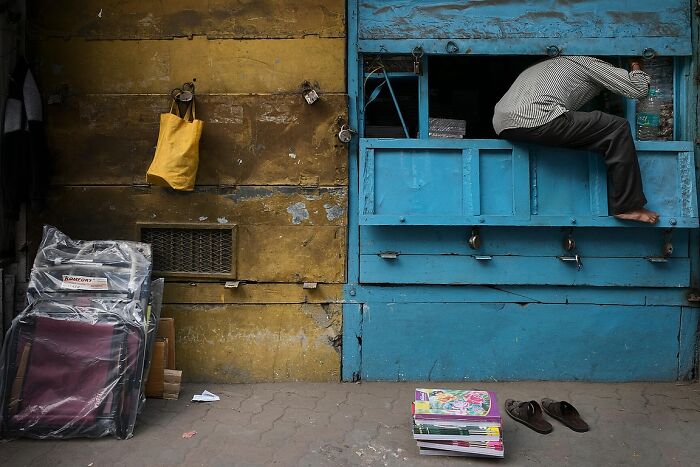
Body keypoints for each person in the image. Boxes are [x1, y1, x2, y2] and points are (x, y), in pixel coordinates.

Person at [493, 56, 658, 224]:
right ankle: (628, 206)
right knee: (617, 128)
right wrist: (636, 64)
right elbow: (638, 89)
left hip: (503, 125)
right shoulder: (591, 63)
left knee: (589, 131)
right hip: (539, 117)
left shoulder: (551, 64)